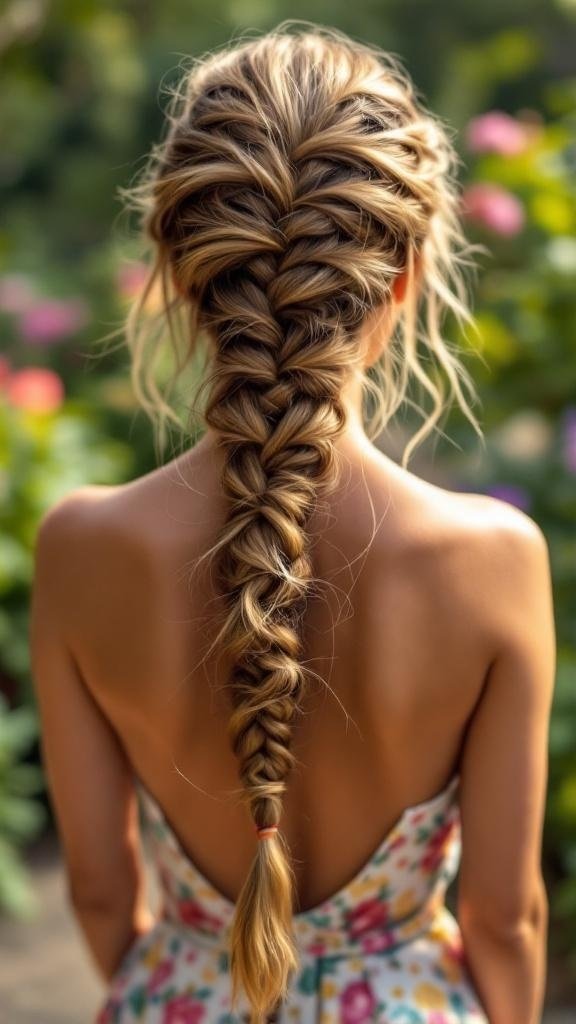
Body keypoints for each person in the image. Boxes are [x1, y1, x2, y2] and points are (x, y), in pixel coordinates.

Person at [30, 23, 556, 1024]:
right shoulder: (494, 561)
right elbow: (504, 916)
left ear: (180, 273)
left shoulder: (80, 547)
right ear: (403, 276)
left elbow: (99, 890)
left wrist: (175, 988)